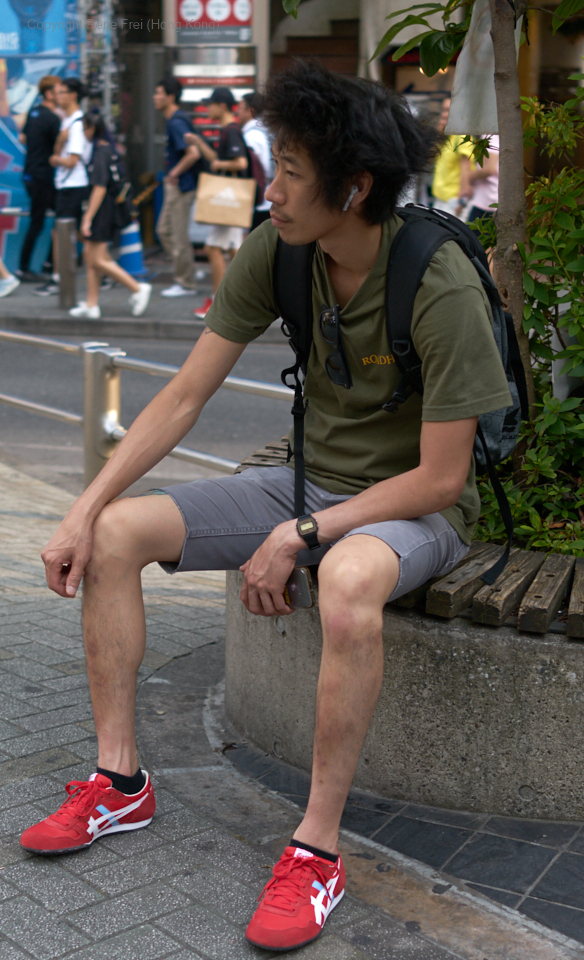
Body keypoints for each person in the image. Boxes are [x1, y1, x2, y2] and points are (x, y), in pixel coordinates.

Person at [23, 60, 511, 953]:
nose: (272, 188)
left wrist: (306, 532)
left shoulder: (437, 282)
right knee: (120, 532)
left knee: (351, 579)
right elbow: (181, 397)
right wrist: (84, 508)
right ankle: (120, 781)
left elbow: (442, 479)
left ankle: (316, 848)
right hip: (299, 484)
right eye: (273, 164)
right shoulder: (281, 250)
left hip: (408, 511)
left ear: (352, 187)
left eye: (290, 171)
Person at [67, 111, 151, 319]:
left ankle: (137, 288)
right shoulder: (106, 148)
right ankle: (91, 304)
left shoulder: (100, 151)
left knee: (95, 259)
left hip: (103, 210)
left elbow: (99, 188)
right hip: (108, 208)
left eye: (83, 128)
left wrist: (87, 218)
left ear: (91, 129)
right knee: (91, 256)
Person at [183, 87, 248, 320]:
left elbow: (240, 163)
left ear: (222, 106)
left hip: (228, 200)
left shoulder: (231, 131)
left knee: (213, 248)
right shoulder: (227, 131)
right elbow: (217, 159)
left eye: (210, 104)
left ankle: (218, 302)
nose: (207, 108)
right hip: (229, 202)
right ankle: (239, 299)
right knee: (234, 251)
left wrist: (219, 167)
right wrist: (199, 143)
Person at [36, 76, 88, 297]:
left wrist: (56, 160)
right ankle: (102, 272)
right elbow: (58, 153)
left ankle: (59, 278)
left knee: (62, 233)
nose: (59, 96)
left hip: (73, 185)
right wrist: (57, 151)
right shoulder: (68, 121)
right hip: (68, 184)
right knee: (77, 233)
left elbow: (72, 160)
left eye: (63, 92)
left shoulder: (76, 123)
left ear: (73, 95)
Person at [154, 77, 202, 299]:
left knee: (177, 234)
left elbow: (193, 153)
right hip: (178, 186)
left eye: (159, 93)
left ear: (170, 97)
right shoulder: (174, 120)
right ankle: (188, 269)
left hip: (181, 187)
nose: (155, 97)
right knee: (164, 230)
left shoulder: (176, 122)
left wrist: (174, 173)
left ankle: (186, 282)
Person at [18, 74, 60, 282]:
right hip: (43, 176)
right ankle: (42, 265)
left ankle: (31, 266)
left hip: (30, 174)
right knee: (60, 218)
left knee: (40, 221)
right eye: (59, 92)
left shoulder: (33, 113)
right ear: (50, 94)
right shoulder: (53, 119)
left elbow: (23, 137)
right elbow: (58, 148)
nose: (62, 95)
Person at [237, 91, 274, 229]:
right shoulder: (266, 131)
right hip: (267, 200)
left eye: (240, 108)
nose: (237, 113)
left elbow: (251, 169)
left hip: (258, 201)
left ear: (250, 111)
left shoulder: (251, 136)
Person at [429, 96, 467, 217]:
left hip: (453, 202)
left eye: (449, 111)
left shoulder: (462, 137)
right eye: (443, 110)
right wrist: (439, 135)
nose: (445, 115)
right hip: (439, 199)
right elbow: (429, 158)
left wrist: (461, 202)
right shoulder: (446, 137)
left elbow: (466, 170)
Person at [458, 134, 499, 224]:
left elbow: (489, 169)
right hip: (493, 200)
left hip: (486, 201)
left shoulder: (491, 136)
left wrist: (467, 177)